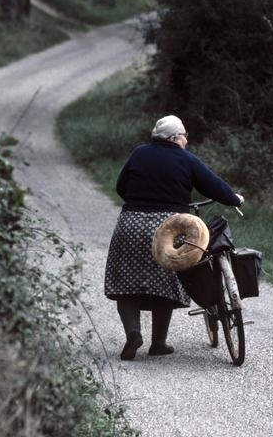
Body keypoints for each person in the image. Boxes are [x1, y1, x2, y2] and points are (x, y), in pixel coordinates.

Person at [104, 114, 244, 361]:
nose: (186, 141)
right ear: (177, 137)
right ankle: (158, 343)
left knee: (125, 284)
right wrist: (235, 199)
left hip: (131, 223)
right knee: (166, 282)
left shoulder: (139, 153)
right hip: (170, 227)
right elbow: (214, 186)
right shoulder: (185, 158)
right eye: (185, 136)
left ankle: (133, 334)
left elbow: (121, 187)